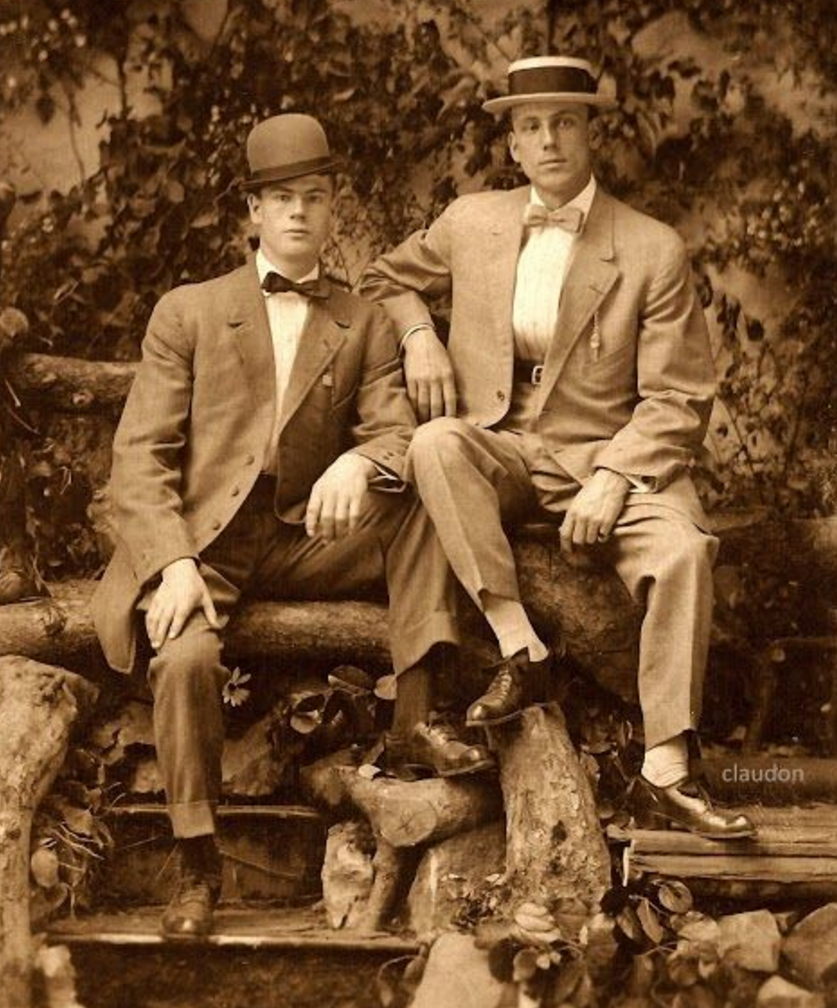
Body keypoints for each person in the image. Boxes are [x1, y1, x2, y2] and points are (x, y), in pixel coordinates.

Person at [91, 113, 494, 939]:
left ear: (333, 206)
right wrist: (171, 564)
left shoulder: (363, 318)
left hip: (307, 532)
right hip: (204, 541)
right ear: (253, 211)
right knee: (187, 658)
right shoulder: (189, 311)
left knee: (424, 498)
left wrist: (362, 463)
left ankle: (415, 722)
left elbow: (395, 431)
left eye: (314, 196)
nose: (299, 212)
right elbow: (139, 457)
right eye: (281, 199)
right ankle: (196, 865)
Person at [360, 56, 755, 840]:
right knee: (436, 442)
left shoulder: (649, 248)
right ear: (511, 143)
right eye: (531, 126)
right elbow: (379, 280)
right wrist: (418, 336)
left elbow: (678, 397)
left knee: (682, 552)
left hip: (605, 455)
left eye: (564, 122)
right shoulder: (470, 221)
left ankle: (667, 767)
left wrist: (613, 475)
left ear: (590, 133)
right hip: (500, 448)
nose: (548, 141)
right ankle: (522, 649)